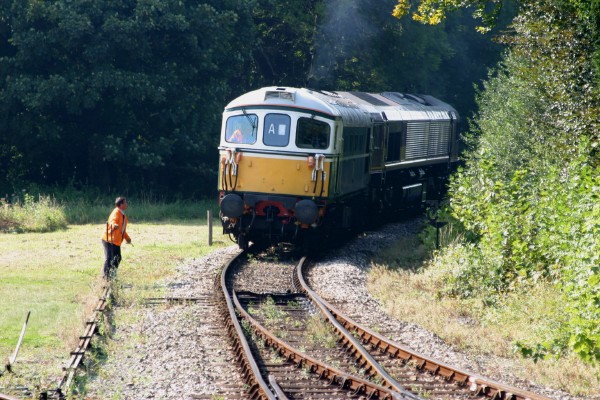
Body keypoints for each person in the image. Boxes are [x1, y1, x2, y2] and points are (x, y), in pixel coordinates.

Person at [101, 197, 132, 279]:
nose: (126, 204)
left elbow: (122, 230)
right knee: (109, 258)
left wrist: (127, 238)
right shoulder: (116, 212)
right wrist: (114, 225)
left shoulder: (123, 215)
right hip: (109, 240)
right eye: (125, 203)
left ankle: (112, 275)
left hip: (116, 241)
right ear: (121, 204)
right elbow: (112, 221)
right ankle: (105, 278)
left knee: (118, 258)